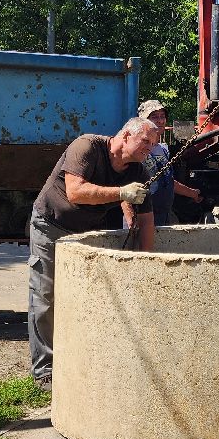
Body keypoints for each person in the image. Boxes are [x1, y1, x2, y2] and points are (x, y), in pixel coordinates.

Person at [27, 117, 159, 388]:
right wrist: (122, 193)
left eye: (154, 144)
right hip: (50, 225)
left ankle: (79, 360)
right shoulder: (86, 147)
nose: (150, 148)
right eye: (145, 141)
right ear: (125, 135)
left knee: (86, 299)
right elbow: (75, 192)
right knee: (46, 296)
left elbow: (146, 221)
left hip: (85, 233)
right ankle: (45, 371)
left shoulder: (138, 172)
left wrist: (147, 261)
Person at [136, 100, 202, 225]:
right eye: (154, 117)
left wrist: (192, 193)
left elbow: (167, 180)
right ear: (143, 121)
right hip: (143, 215)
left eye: (162, 117)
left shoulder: (163, 150)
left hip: (163, 214)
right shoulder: (137, 149)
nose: (160, 121)